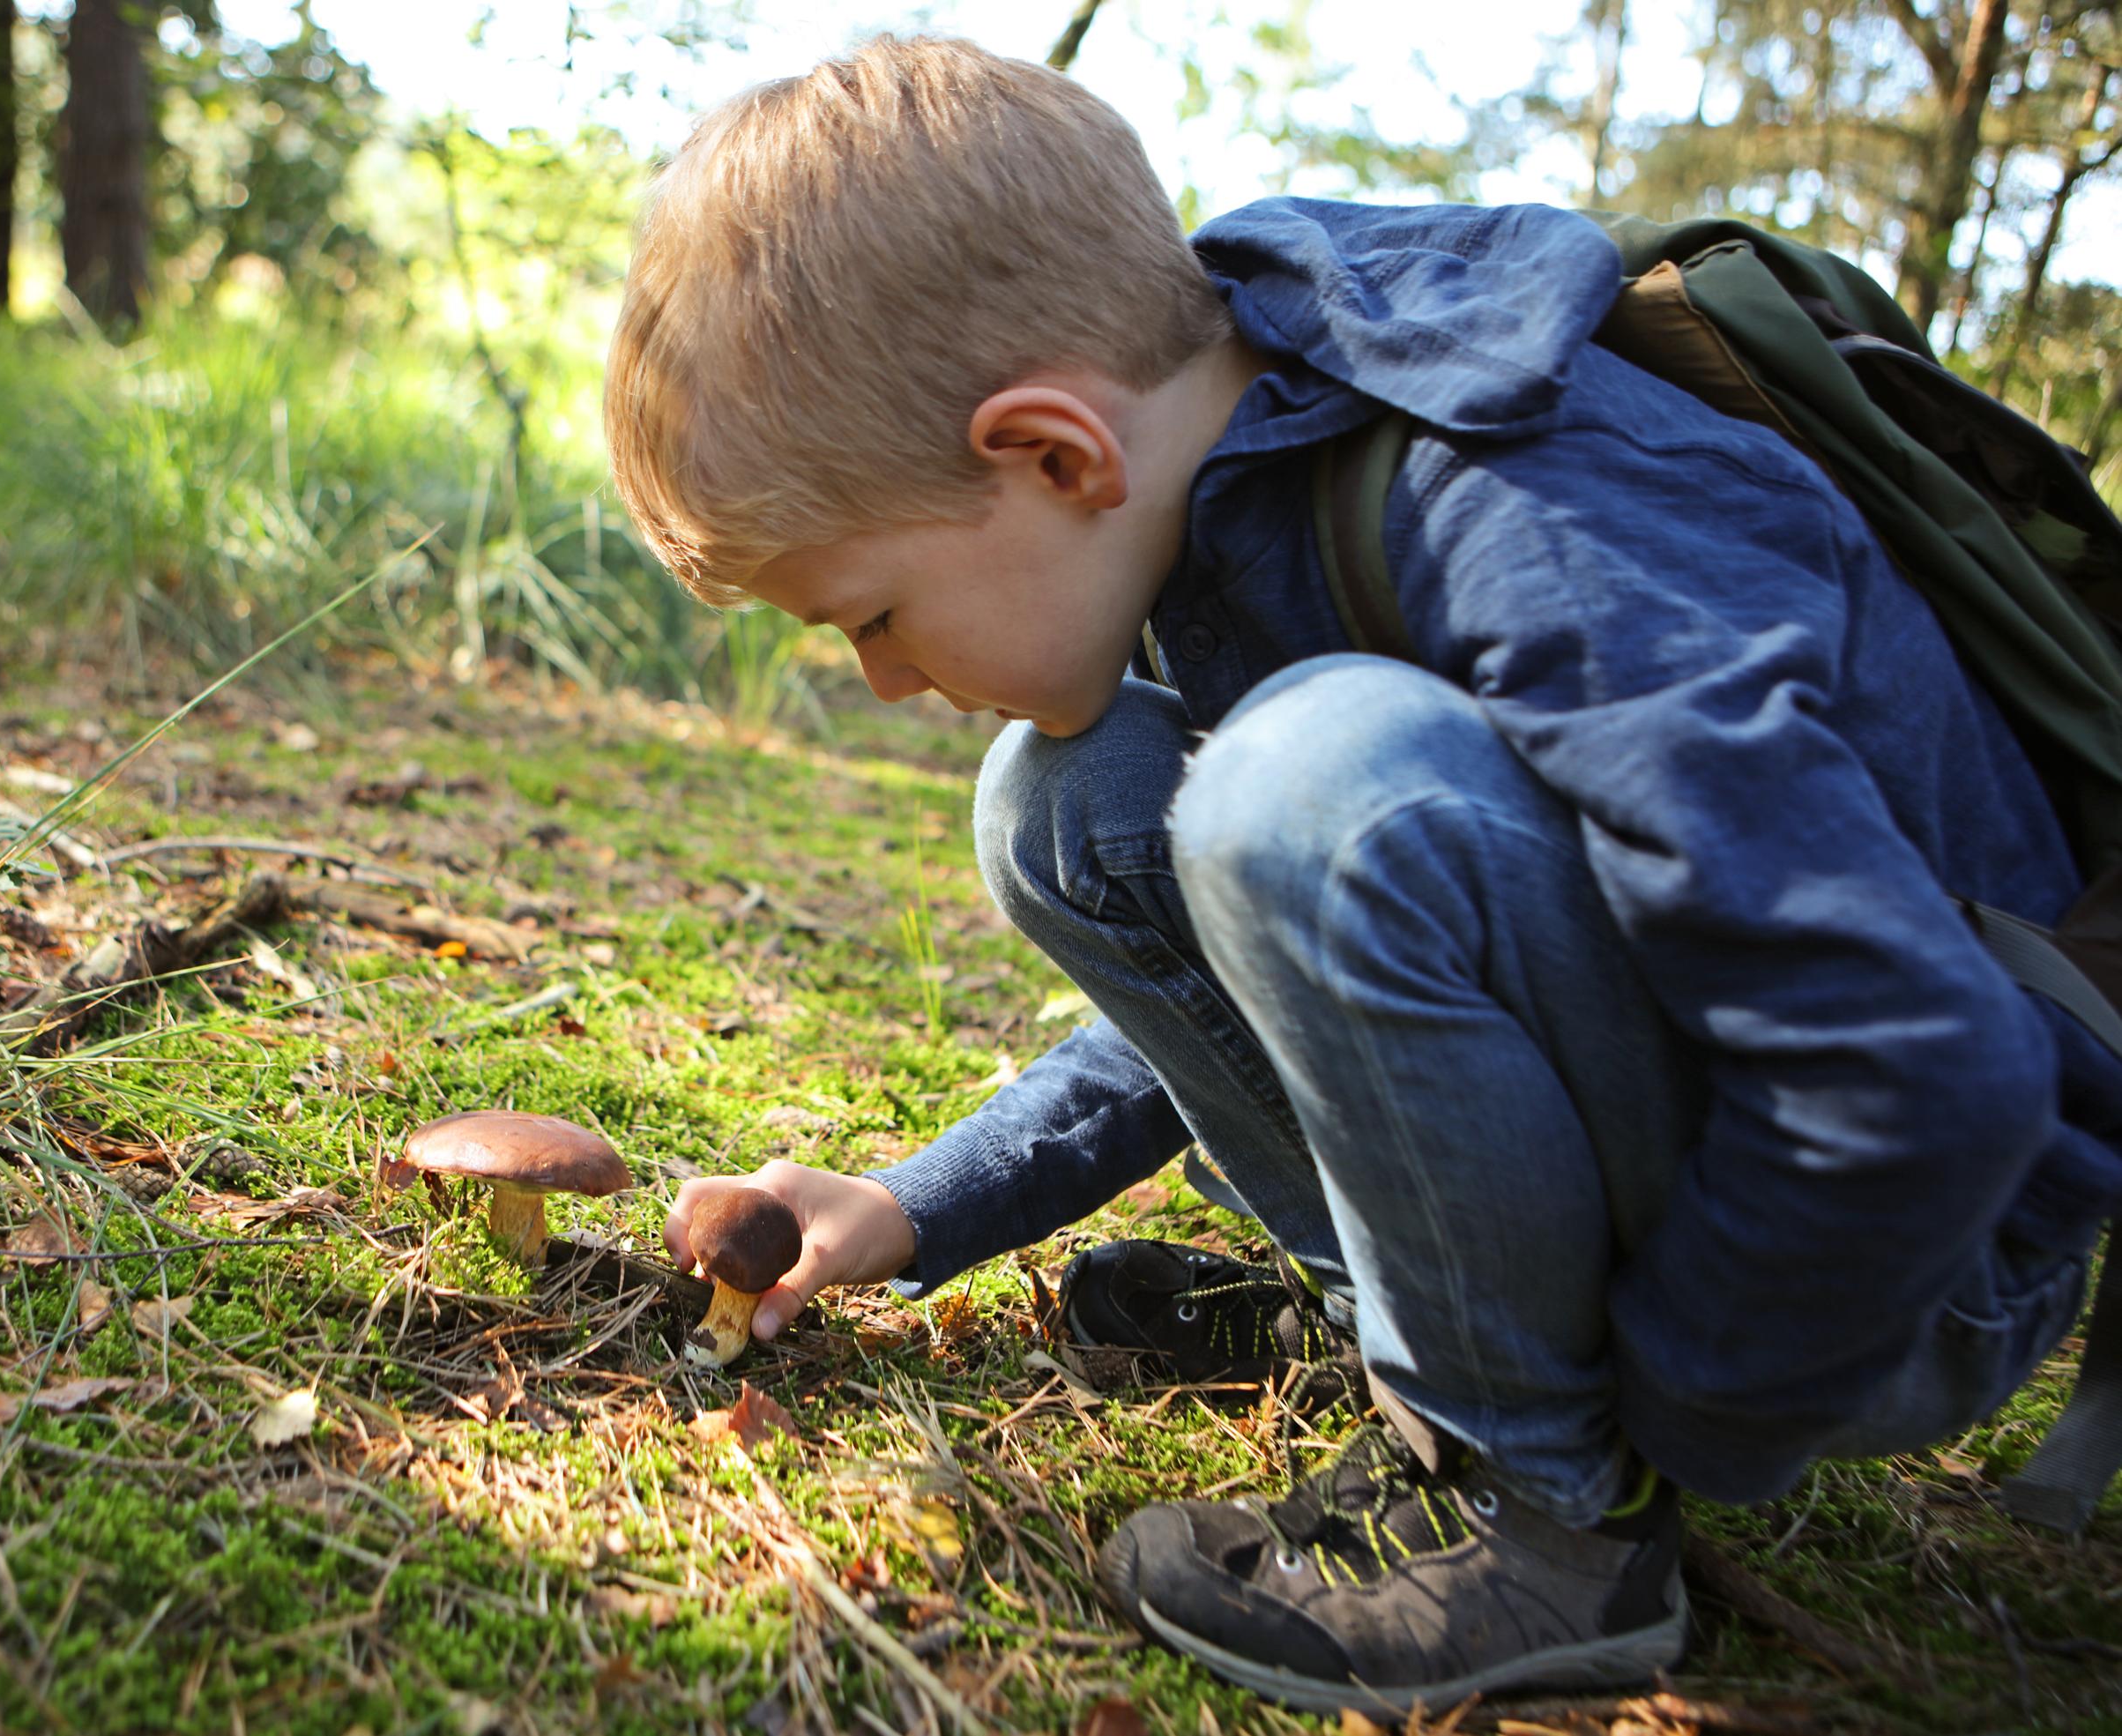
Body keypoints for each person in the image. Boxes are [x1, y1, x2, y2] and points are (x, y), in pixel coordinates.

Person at [611, 34, 2122, 1716]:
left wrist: (1665, 1414)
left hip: (1906, 1262)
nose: (886, 678)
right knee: (1073, 797)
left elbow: (1916, 1065)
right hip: (1722, 1136)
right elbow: (1304, 934)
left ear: (1054, 453)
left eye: (871, 616)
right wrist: (919, 1205)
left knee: (1297, 779)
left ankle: (1543, 1518)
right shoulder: (1257, 470)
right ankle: (1440, 1348)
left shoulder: (1522, 504)